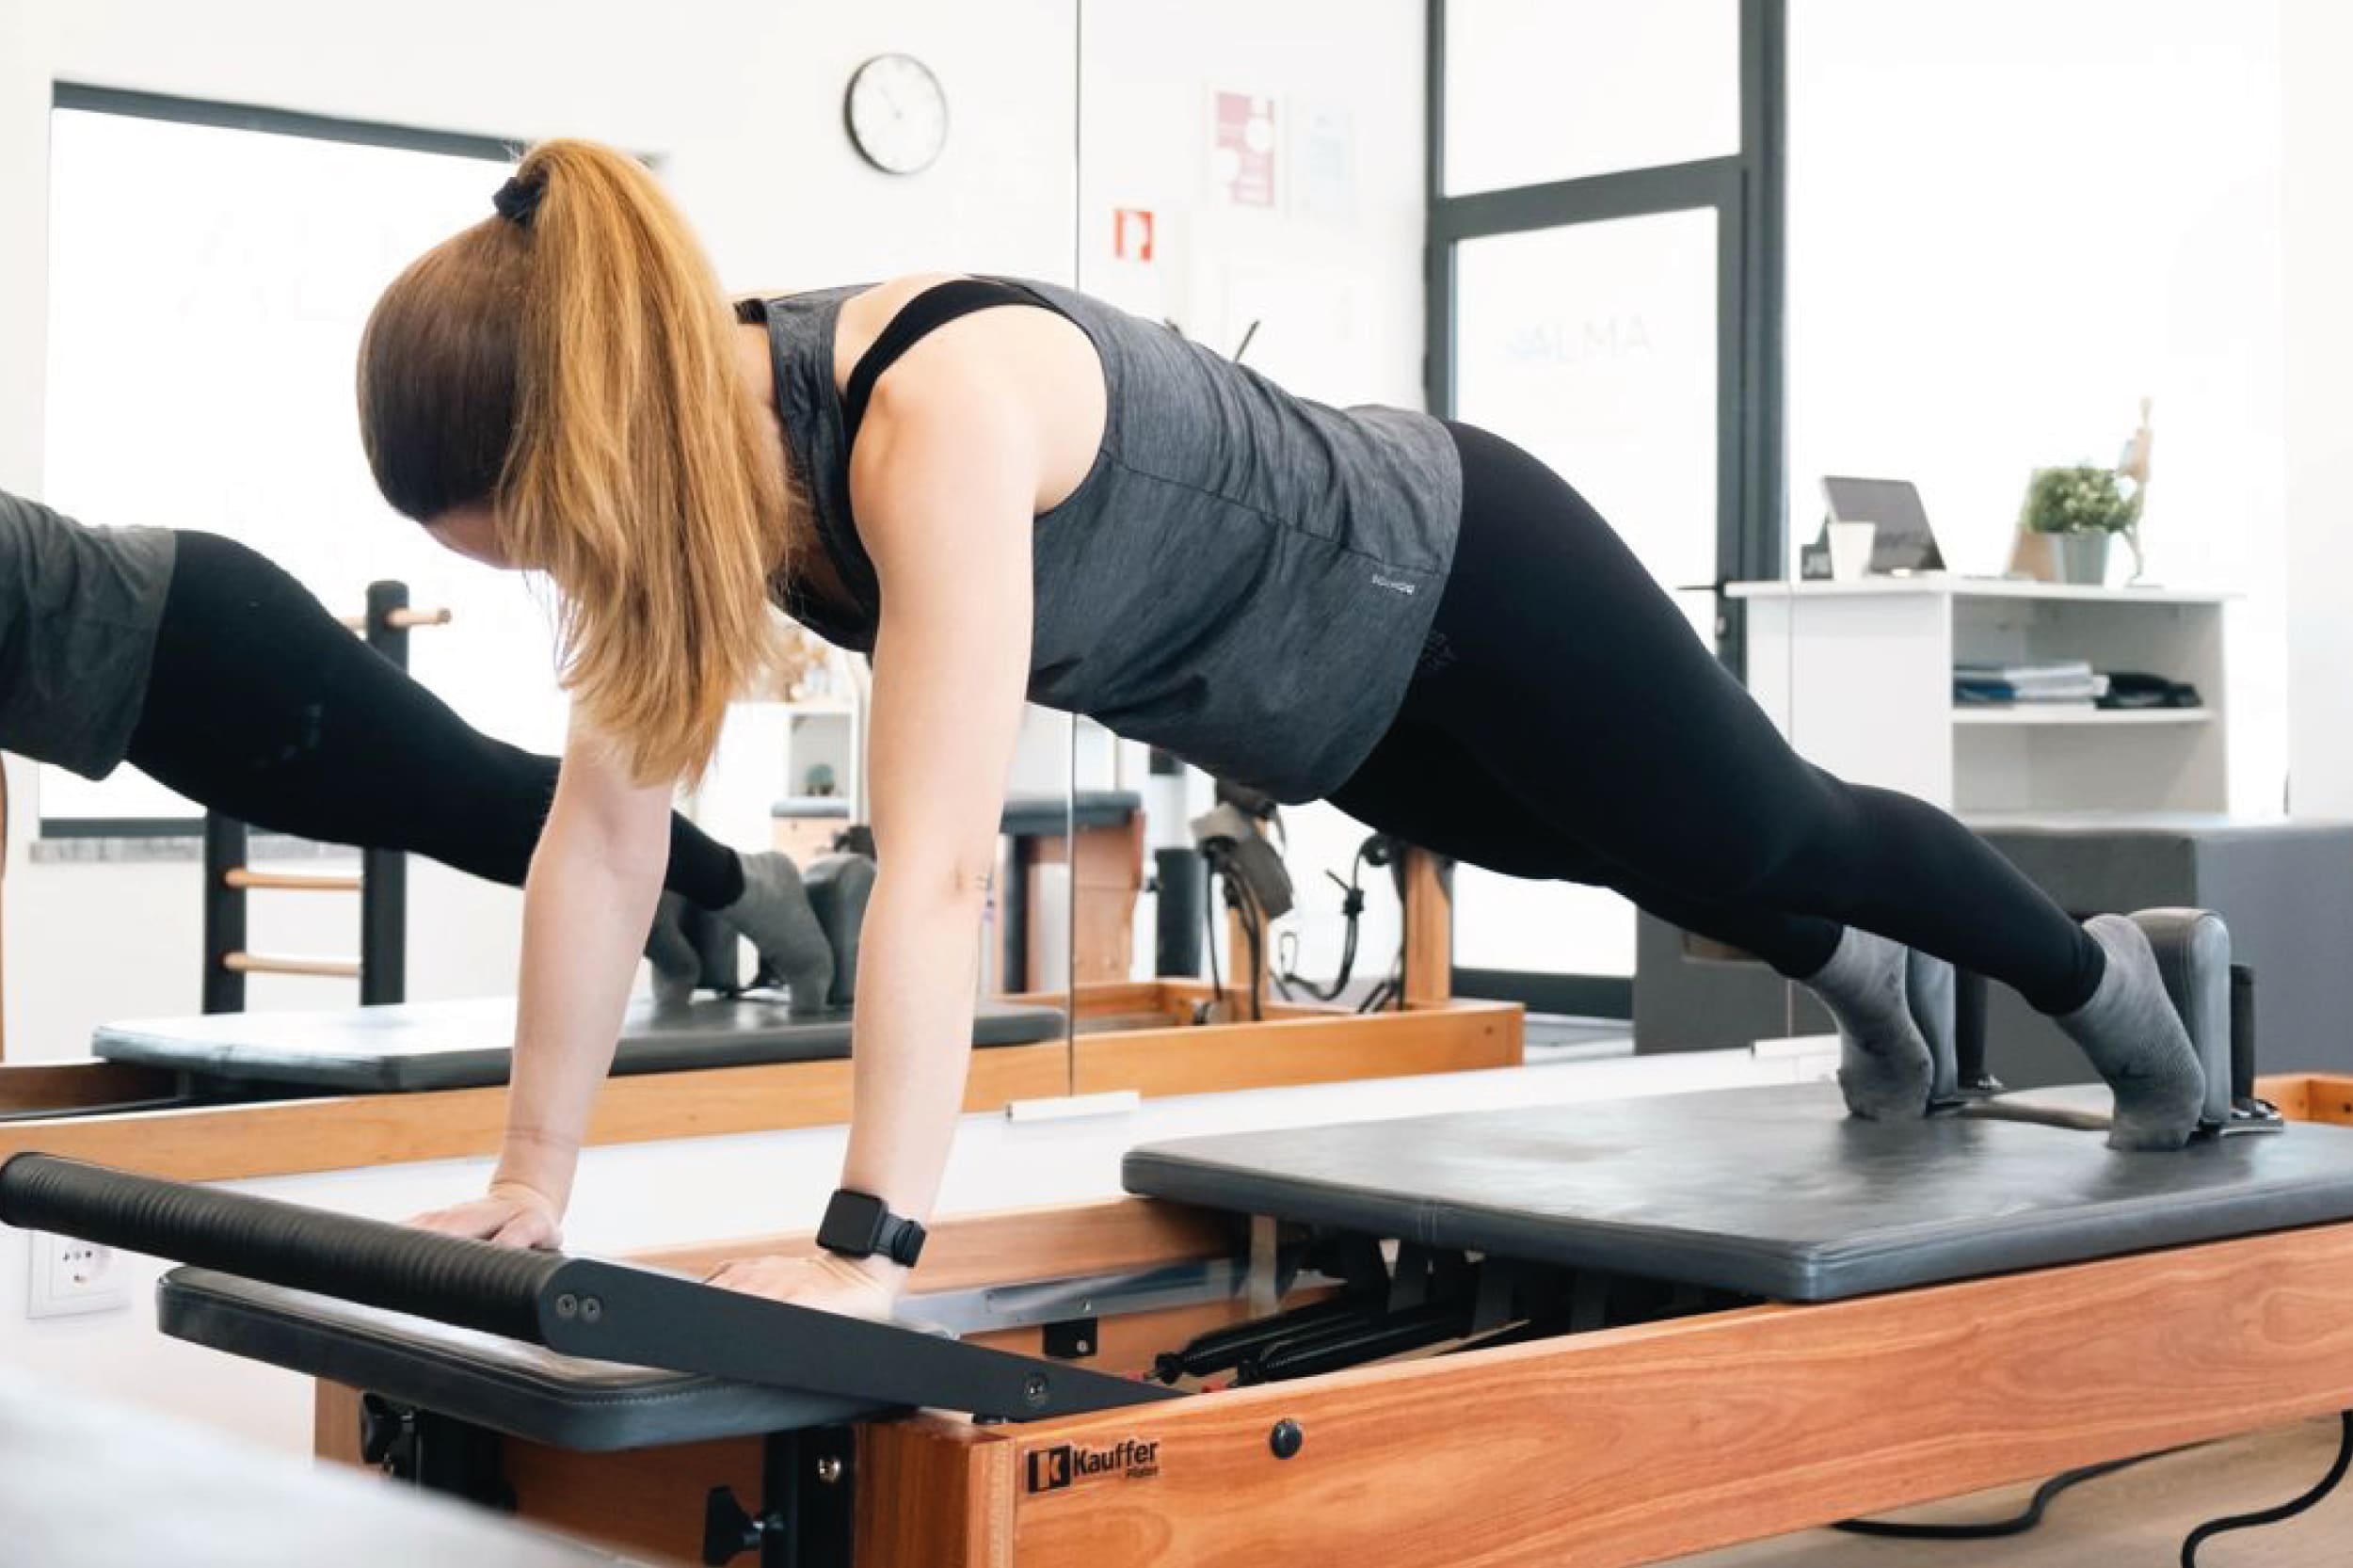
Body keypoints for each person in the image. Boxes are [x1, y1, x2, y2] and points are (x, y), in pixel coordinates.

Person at [372, 139, 2203, 1318]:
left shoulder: (919, 417)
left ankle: (2089, 971)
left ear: (596, 442)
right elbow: (597, 841)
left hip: (1456, 560)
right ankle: (1855, 973)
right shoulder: (690, 494)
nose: (564, 578)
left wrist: (870, 1241)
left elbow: (929, 869)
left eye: (542, 538)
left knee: (1755, 829)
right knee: (1600, 846)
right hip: (1313, 694)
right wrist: (529, 1180)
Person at [0, 487, 834, 1007]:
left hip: (197, 633)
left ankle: (743, 882)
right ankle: (658, 885)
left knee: (471, 797)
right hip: (138, 710)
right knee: (457, 814)